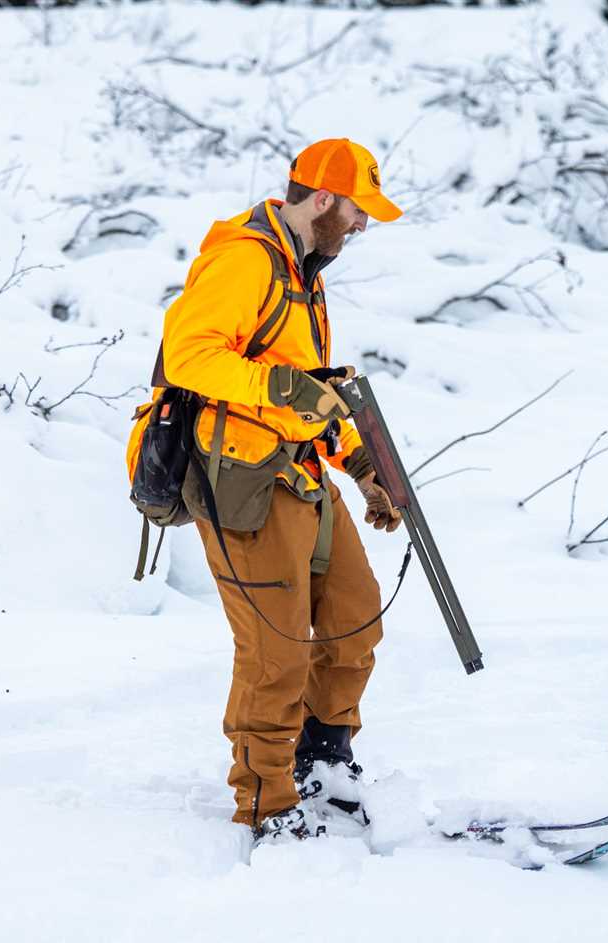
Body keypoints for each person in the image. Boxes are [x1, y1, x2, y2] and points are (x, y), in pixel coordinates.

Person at [158, 138, 404, 844]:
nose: (363, 225)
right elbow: (190, 355)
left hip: (303, 474)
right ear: (323, 199)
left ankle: (324, 760)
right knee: (277, 652)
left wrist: (361, 468)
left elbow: (313, 388)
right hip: (243, 482)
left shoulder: (305, 271)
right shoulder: (245, 259)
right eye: (358, 210)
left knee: (357, 619)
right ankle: (266, 799)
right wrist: (285, 387)